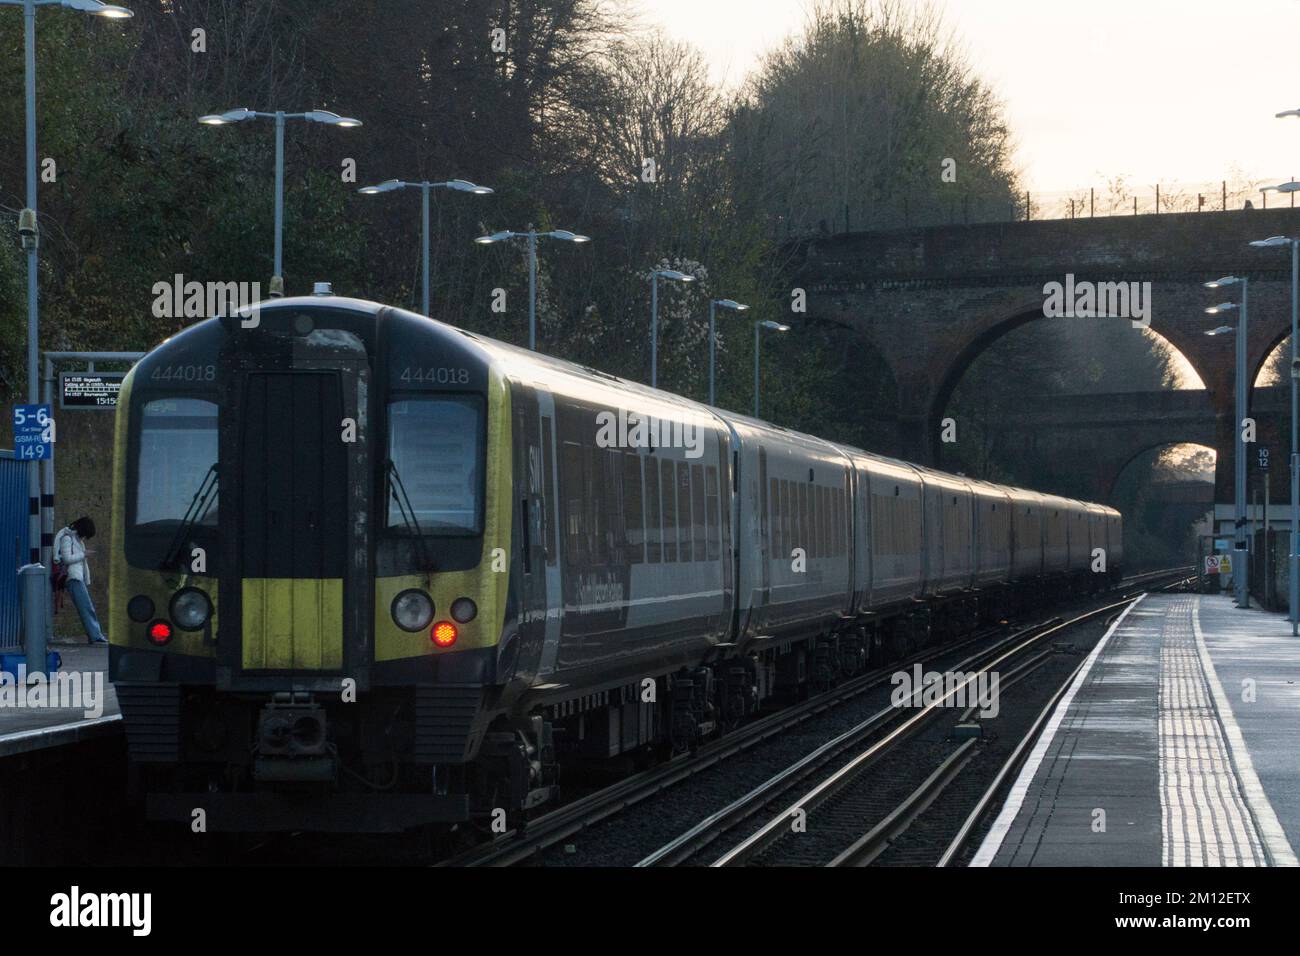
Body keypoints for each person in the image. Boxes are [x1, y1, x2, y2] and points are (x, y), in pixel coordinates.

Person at [54, 516, 107, 645]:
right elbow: (66, 559)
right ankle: (95, 636)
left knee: (86, 607)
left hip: (77, 577)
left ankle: (94, 635)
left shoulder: (75, 539)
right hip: (73, 577)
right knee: (86, 607)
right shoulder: (67, 538)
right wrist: (84, 554)